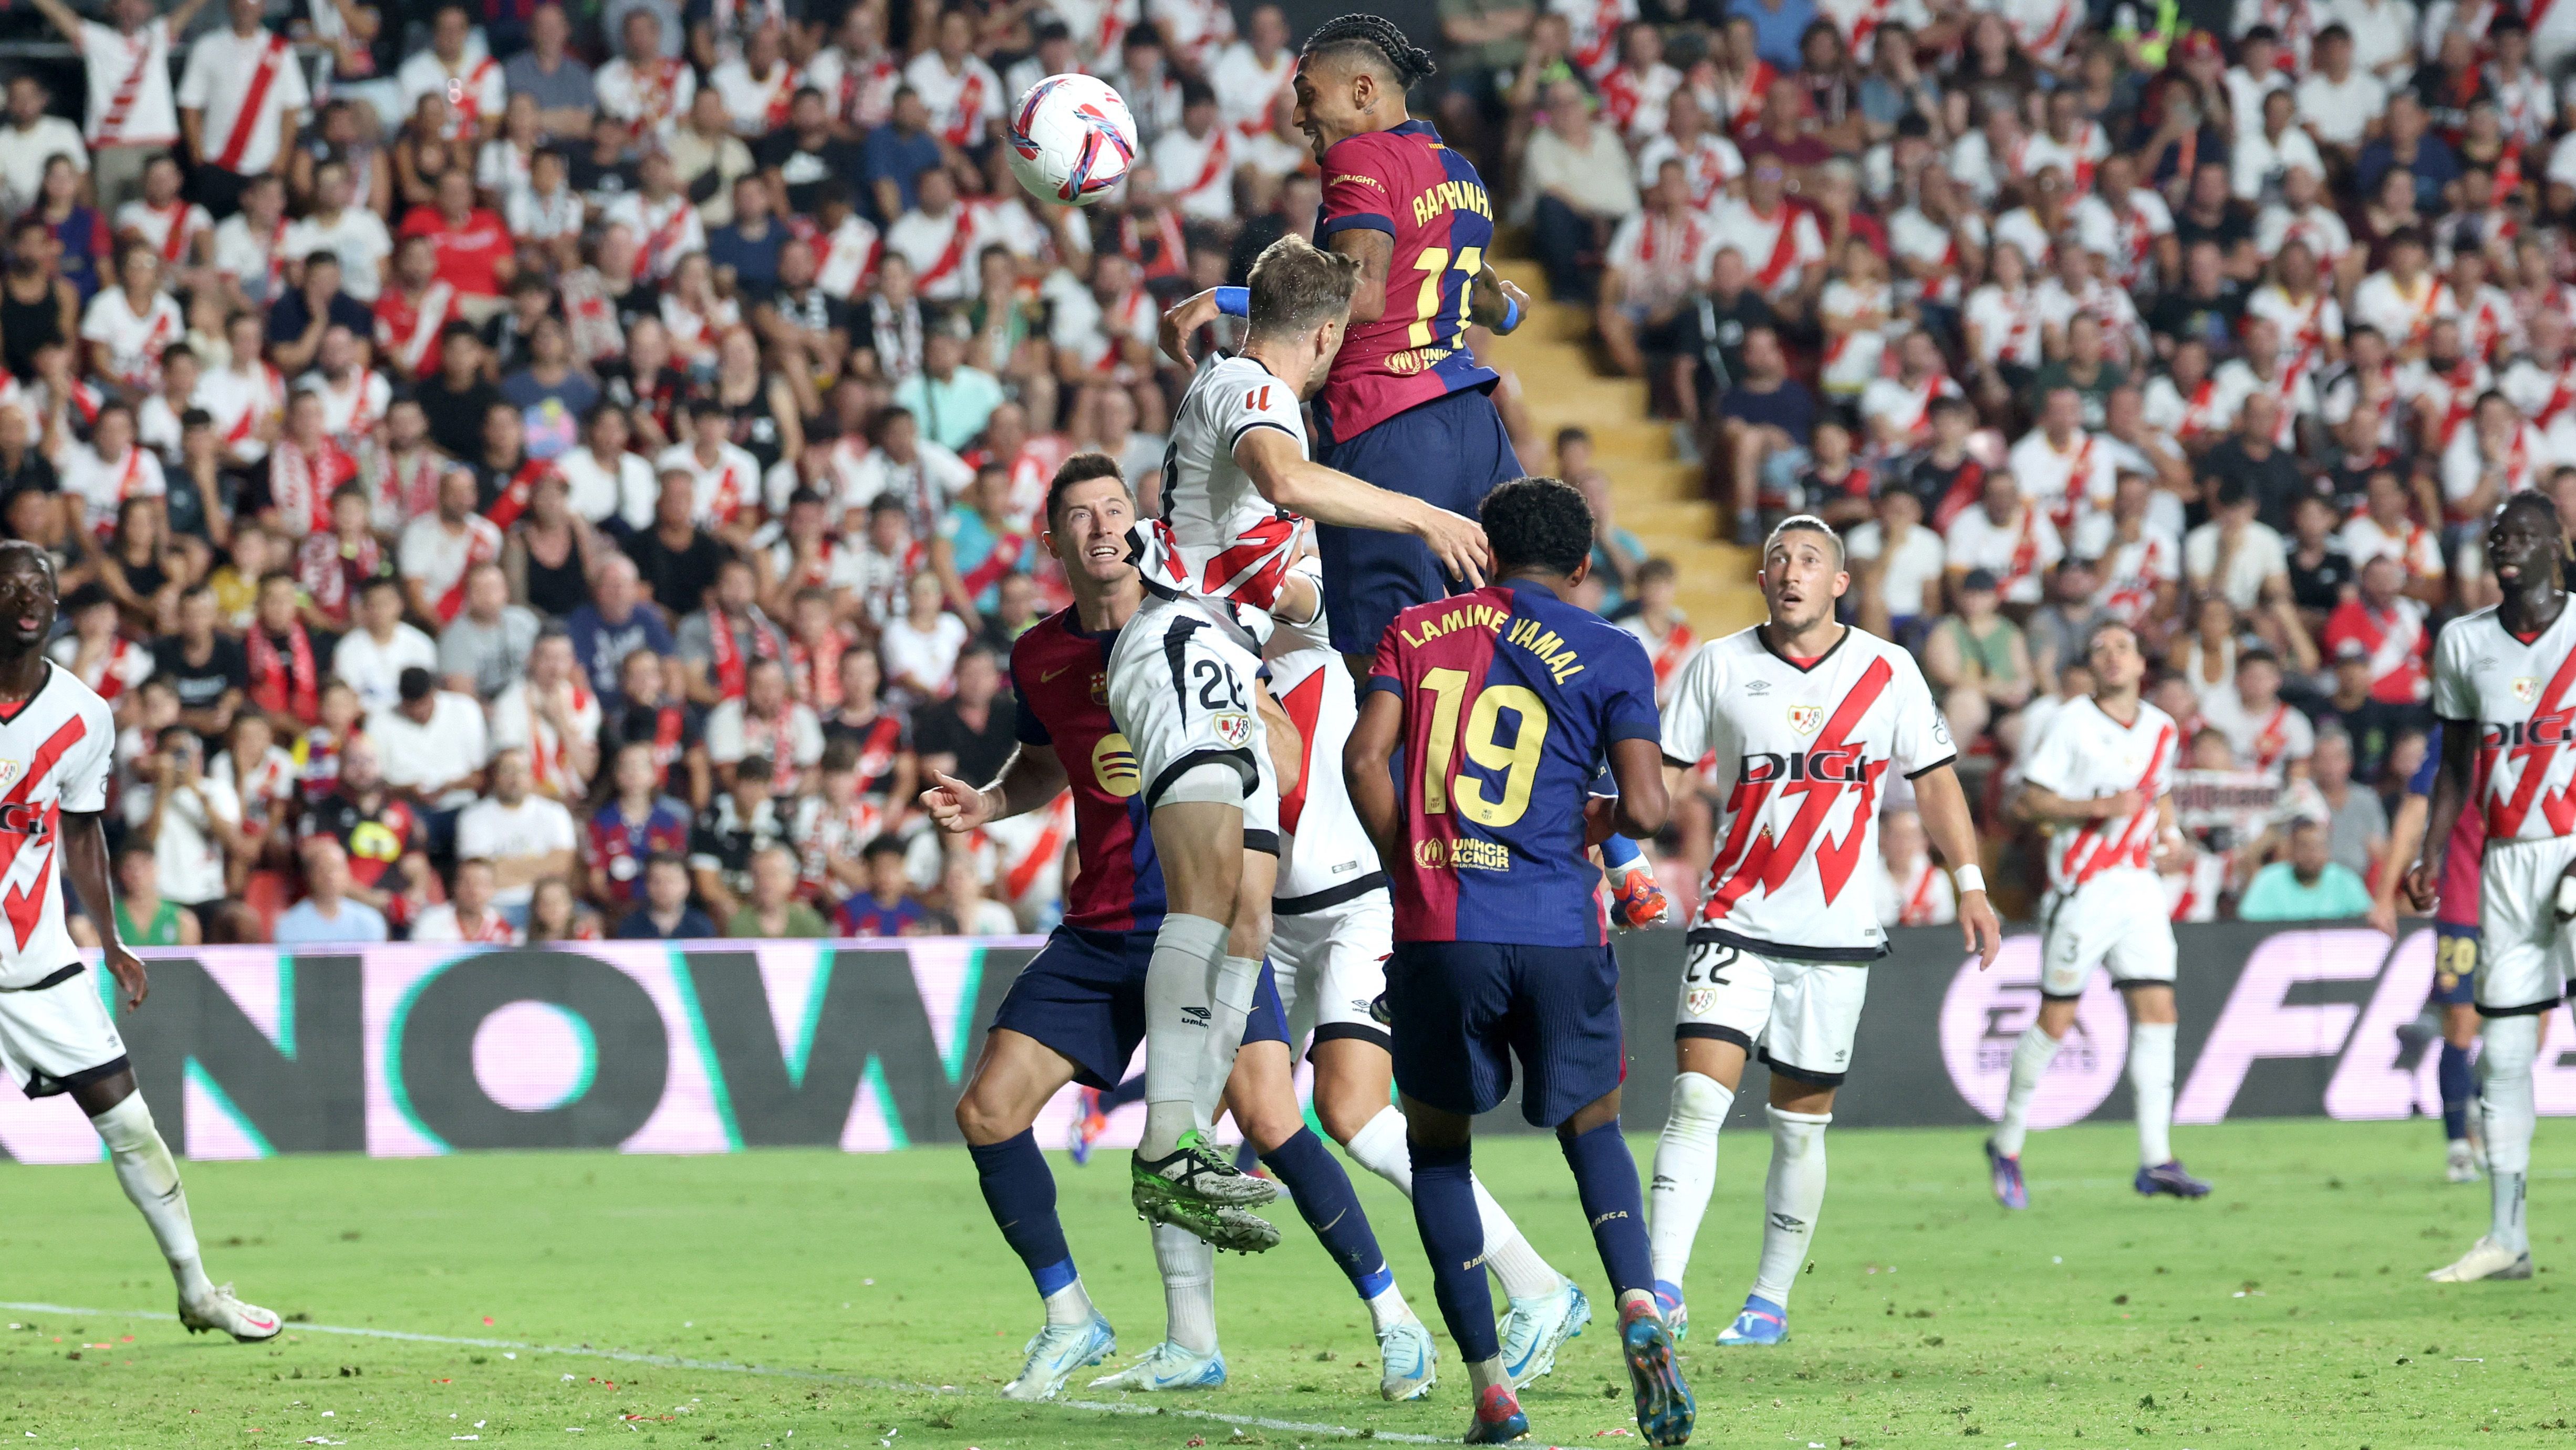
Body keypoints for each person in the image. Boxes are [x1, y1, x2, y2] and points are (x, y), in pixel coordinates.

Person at [928, 454, 1436, 1401]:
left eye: (1115, 509)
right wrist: (991, 799)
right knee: (988, 1112)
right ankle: (1072, 1318)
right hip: (1099, 930)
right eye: (1078, 516)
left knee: (1271, 1119)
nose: (1100, 528)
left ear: (1138, 524)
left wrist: (1242, 720)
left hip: (1198, 924)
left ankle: (1394, 1319)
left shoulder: (1203, 631)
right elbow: (1048, 764)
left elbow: (1282, 764)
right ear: (1052, 542)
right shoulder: (1041, 656)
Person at [1105, 233, 1488, 1248]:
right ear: (1320, 338)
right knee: (1215, 896)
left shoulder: (1232, 368)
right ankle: (1168, 1137)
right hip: (1188, 643)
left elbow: (1305, 315)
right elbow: (1279, 477)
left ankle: (1182, 1134)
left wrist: (1223, 295)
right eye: (1334, 341)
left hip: (1223, 653)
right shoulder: (1257, 396)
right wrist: (1417, 515)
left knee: (1238, 899)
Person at [1341, 476, 1682, 1444]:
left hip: (1442, 925)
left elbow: (1364, 762)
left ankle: (1491, 1387)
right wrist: (1587, 817)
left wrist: (1410, 865)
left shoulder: (1413, 630)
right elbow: (1651, 811)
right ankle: (1637, 1303)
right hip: (1555, 927)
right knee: (1594, 1131)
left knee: (1439, 1153)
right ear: (1582, 566)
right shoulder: (1612, 648)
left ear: (1483, 550)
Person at [1645, 515, 2000, 1348]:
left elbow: (1937, 783)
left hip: (1836, 933)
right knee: (1697, 1097)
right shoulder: (1719, 665)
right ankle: (1659, 1293)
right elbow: (1660, 776)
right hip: (1733, 916)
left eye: (1810, 559)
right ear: (1762, 580)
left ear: (1840, 582)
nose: (1791, 569)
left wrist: (1972, 884)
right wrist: (1614, 849)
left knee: (1799, 1124)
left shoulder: (1890, 670)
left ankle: (1768, 1301)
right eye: (1778, 558)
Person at [1158, 15, 1529, 667]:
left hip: (1388, 429)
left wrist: (1226, 299)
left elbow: (1359, 296)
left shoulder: (1358, 156)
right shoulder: (1460, 172)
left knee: (1387, 676)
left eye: (1307, 93)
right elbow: (1480, 292)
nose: (1298, 114)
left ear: (1363, 91)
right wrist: (1506, 317)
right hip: (1475, 425)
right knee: (1509, 651)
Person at [2411, 493, 2576, 1282]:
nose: (2507, 546)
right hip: (2508, 864)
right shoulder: (2463, 641)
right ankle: (2507, 1234)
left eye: (2525, 534)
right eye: (2498, 536)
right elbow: (2453, 764)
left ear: (2560, 542)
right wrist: (2432, 852)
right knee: (2504, 1050)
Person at [1987, 621, 2208, 1208]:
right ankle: (2007, 1142)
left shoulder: (2162, 728)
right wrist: (2095, 807)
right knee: (2057, 1020)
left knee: (2158, 1006)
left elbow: (2156, 794)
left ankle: (2155, 1158)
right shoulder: (2069, 722)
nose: (2112, 658)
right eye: (2100, 651)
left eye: (2122, 648)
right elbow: (2028, 799)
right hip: (2081, 887)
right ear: (2090, 666)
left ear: (2141, 664)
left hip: (2137, 886)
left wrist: (2172, 835)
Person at [2371, 719, 2488, 1183]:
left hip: (2524, 898)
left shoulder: (2545, 725)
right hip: (2463, 897)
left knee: (2529, 1030)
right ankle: (2458, 1144)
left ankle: (2475, 1095)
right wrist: (2385, 894)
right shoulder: (2453, 736)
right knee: (2460, 1023)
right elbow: (2415, 812)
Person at [2240, 816, 2375, 920]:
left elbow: (2367, 919)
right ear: (2291, 849)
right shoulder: (2268, 879)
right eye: (2304, 847)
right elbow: (2249, 924)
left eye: (2318, 847)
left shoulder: (2346, 880)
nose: (2312, 855)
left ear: (2328, 851)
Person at [725, 842, 828, 938]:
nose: (766, 883)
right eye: (759, 875)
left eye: (773, 875)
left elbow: (826, 955)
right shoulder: (740, 923)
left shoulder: (806, 919)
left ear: (790, 880)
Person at [612, 851, 716, 940]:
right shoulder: (630, 926)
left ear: (687, 884)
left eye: (672, 881)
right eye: (657, 881)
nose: (664, 888)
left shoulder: (702, 927)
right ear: (647, 885)